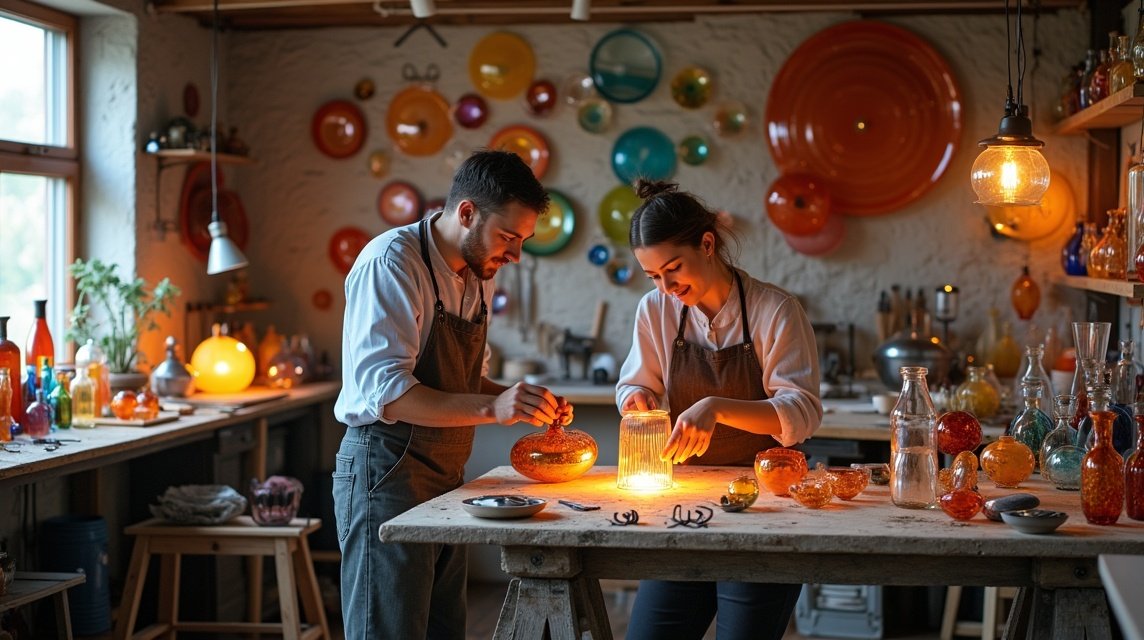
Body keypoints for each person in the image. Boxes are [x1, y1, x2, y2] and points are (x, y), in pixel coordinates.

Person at [332, 150, 573, 639]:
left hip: (446, 475)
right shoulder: (393, 263)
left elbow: (465, 381)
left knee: (445, 629)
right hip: (385, 471)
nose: (515, 255)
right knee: (390, 631)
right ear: (466, 213)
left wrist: (516, 398)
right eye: (508, 237)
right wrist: (493, 408)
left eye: (522, 241)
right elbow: (392, 395)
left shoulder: (474, 273)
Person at [615, 179, 822, 640]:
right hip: (684, 502)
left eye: (673, 269)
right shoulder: (656, 310)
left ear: (707, 244)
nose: (666, 287)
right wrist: (636, 399)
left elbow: (802, 411)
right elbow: (635, 380)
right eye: (653, 277)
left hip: (765, 505)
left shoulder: (775, 311)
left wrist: (717, 407)